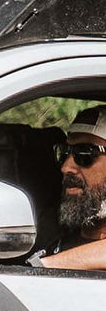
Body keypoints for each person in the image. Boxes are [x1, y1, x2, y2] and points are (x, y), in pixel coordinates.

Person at [33, 105, 106, 270]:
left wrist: (43, 268)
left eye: (84, 154)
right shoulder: (49, 240)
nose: (66, 167)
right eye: (65, 153)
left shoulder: (50, 260)